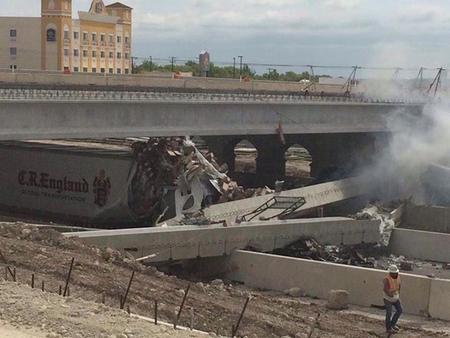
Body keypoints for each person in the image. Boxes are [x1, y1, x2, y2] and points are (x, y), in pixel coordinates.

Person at [383, 265, 403, 334]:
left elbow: (399, 285)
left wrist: (397, 294)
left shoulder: (398, 277)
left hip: (395, 298)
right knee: (389, 313)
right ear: (390, 273)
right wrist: (390, 294)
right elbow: (385, 289)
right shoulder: (387, 279)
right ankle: (388, 328)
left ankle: (392, 324)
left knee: (400, 310)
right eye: (393, 273)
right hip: (388, 299)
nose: (394, 274)